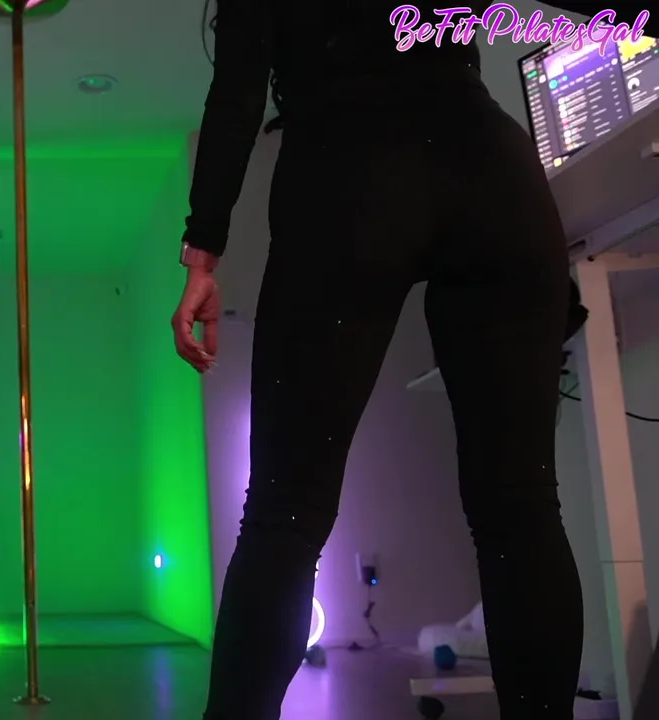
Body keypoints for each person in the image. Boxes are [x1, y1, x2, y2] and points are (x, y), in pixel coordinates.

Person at [170, 3, 654, 718]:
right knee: (521, 505)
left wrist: (203, 251)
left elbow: (237, 90)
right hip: (491, 167)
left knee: (284, 512)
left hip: (345, 172)